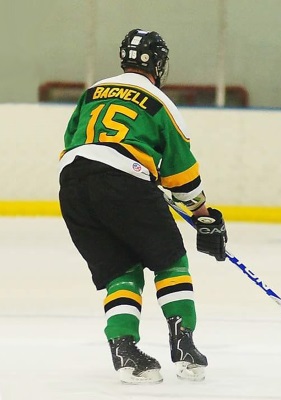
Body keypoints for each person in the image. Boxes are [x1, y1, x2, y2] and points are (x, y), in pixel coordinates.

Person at [58, 28, 227, 384]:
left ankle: (124, 350)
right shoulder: (158, 101)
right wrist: (202, 214)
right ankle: (183, 344)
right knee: (170, 261)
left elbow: (74, 141)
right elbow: (181, 172)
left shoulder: (92, 92)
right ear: (159, 63)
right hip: (122, 181)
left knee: (121, 271)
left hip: (72, 184)